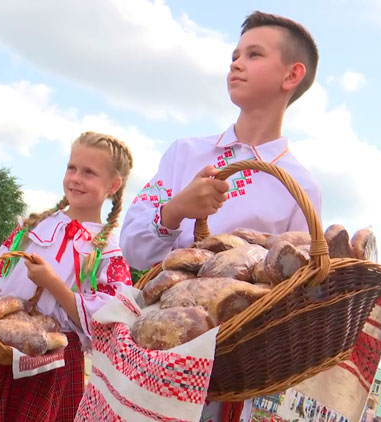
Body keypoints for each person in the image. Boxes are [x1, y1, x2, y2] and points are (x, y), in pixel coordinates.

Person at [119, 10, 322, 422]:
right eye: (235, 54)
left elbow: (295, 296)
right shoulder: (186, 153)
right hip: (144, 346)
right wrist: (176, 210)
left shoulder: (301, 189)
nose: (236, 62)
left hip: (223, 377)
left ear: (291, 75)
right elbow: (133, 249)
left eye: (254, 54)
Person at [0, 132, 134, 422]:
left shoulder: (110, 250)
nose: (75, 178)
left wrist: (52, 283)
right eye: (71, 168)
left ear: (114, 185)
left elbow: (108, 320)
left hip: (53, 362)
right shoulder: (34, 229)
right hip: (2, 347)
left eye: (89, 172)